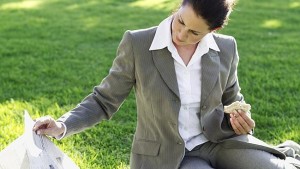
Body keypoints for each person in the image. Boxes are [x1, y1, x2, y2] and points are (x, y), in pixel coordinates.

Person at [33, 0, 297, 168]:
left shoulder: (226, 48)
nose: (181, 34)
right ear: (179, 7)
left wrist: (242, 118)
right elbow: (104, 100)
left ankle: (288, 153)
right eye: (180, 21)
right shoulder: (138, 44)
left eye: (194, 32)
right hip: (170, 154)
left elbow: (232, 99)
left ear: (213, 31)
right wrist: (62, 125)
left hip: (218, 141)